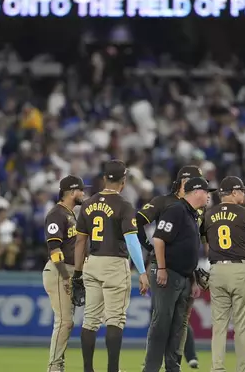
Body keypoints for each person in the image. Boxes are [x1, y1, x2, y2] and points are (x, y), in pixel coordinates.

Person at [72, 159, 150, 372]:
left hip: (92, 262)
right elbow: (132, 241)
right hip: (115, 262)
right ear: (123, 181)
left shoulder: (87, 204)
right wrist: (142, 271)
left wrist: (78, 271)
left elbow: (80, 242)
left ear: (105, 178)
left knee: (90, 320)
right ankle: (113, 369)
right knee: (115, 319)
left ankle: (88, 369)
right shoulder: (124, 205)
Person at [142, 177, 213, 372]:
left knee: (178, 327)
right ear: (196, 191)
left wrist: (192, 280)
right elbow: (158, 240)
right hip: (168, 273)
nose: (208, 196)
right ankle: (151, 369)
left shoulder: (191, 214)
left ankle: (173, 368)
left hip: (183, 277)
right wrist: (162, 269)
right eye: (206, 191)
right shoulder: (176, 210)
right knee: (161, 324)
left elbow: (187, 250)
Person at [201, 176, 245, 372]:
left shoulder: (208, 215)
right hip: (240, 268)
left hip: (217, 269)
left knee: (219, 326)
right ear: (234, 192)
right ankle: (241, 369)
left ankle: (217, 369)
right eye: (241, 190)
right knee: (242, 327)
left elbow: (206, 242)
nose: (244, 193)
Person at [43, 175, 87, 372]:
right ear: (71, 192)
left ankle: (57, 364)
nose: (83, 194)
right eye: (81, 190)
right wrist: (66, 276)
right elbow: (54, 249)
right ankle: (54, 366)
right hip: (59, 271)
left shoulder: (70, 214)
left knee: (66, 322)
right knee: (64, 321)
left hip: (69, 271)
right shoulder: (56, 214)